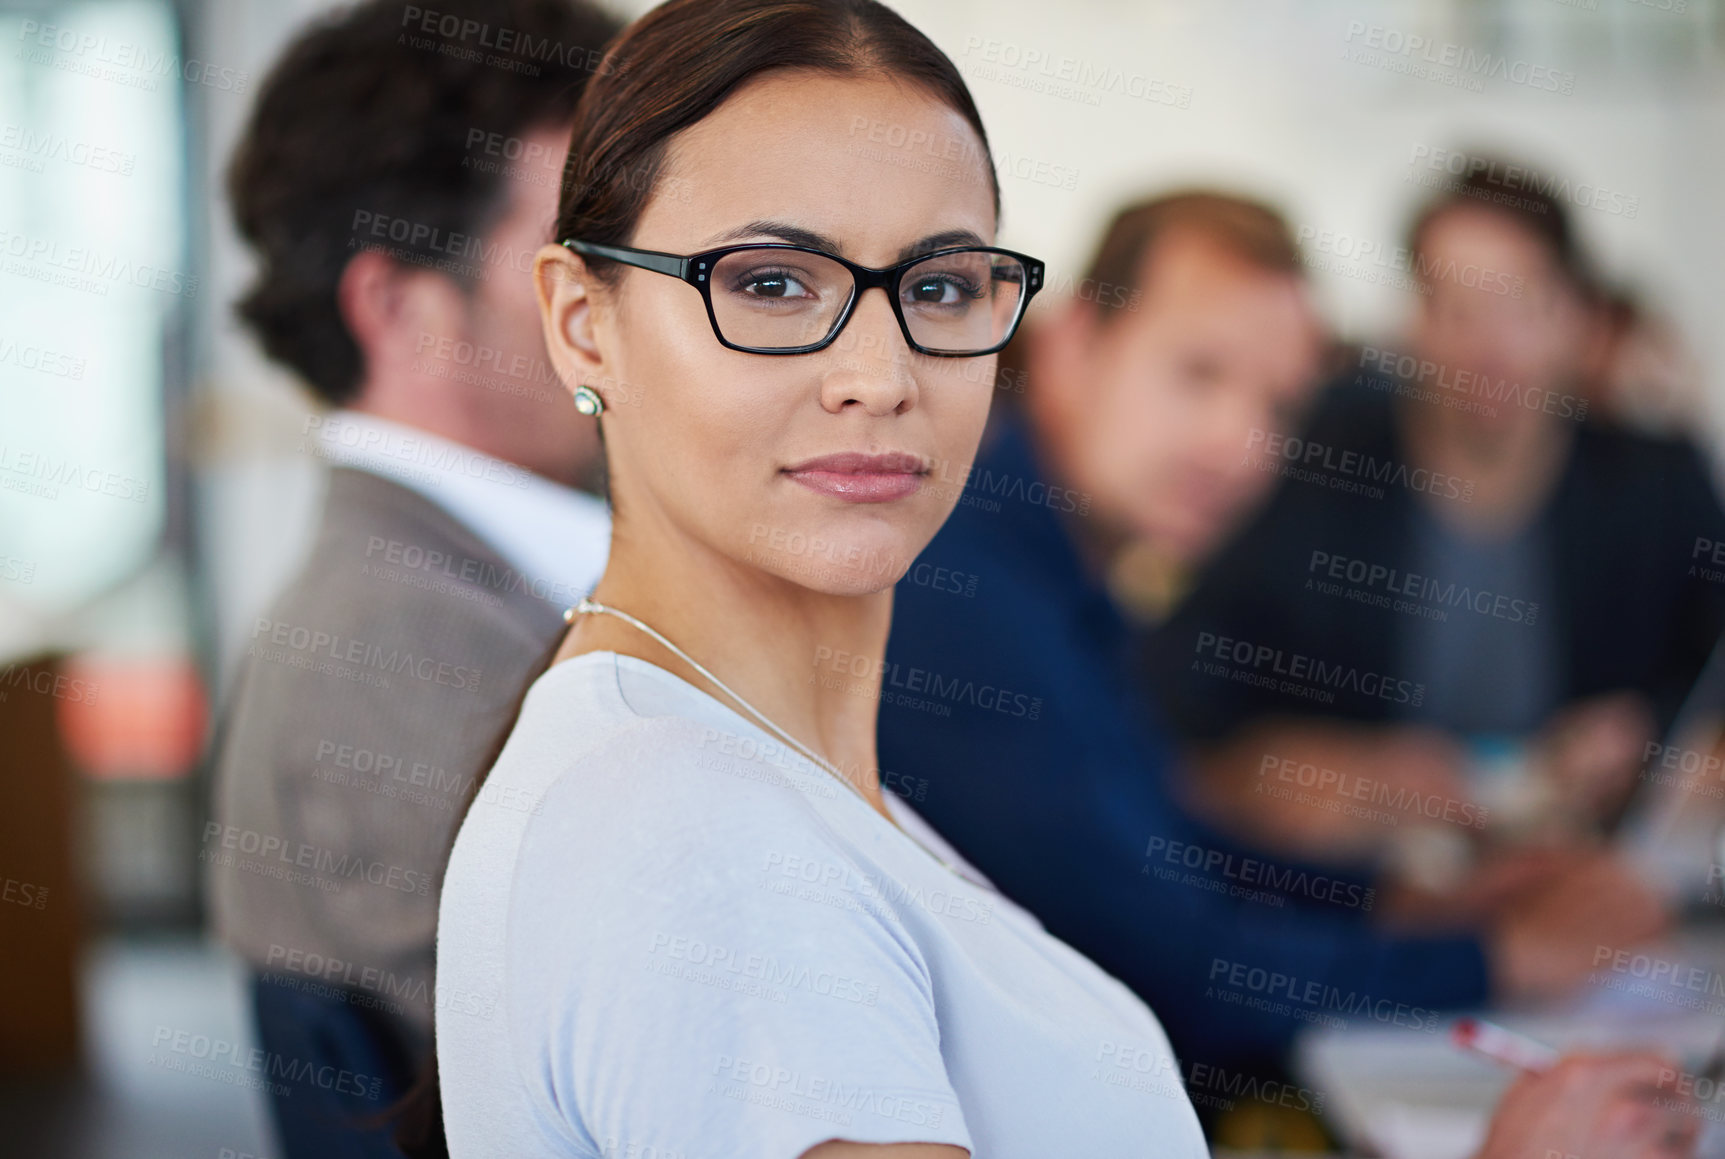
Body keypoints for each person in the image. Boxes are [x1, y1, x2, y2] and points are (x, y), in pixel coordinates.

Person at [433, 0, 1219, 1154]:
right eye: (770, 283)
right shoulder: (691, 830)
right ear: (581, 324)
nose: (879, 374)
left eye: (941, 289)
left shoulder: (757, 772)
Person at [875, 191, 1669, 1075]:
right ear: (1070, 346)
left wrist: (1395, 902)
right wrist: (1497, 957)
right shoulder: (966, 591)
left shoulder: (1051, 566)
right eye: (1199, 374)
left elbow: (1164, 844)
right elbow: (1180, 970)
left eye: (1279, 406)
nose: (1242, 446)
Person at [206, 2, 619, 1155]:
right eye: (574, 257)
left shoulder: (486, 591)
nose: (636, 302)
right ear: (398, 307)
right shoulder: (394, 649)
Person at [1144, 165, 1725, 870]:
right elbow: (1177, 687)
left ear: (1578, 319)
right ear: (1413, 323)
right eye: (1455, 306)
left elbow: (1705, 672)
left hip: (1596, 877)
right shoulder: (1317, 465)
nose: (1490, 348)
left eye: (1522, 304)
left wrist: (1654, 738)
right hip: (1372, 892)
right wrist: (1307, 763)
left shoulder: (1654, 480)